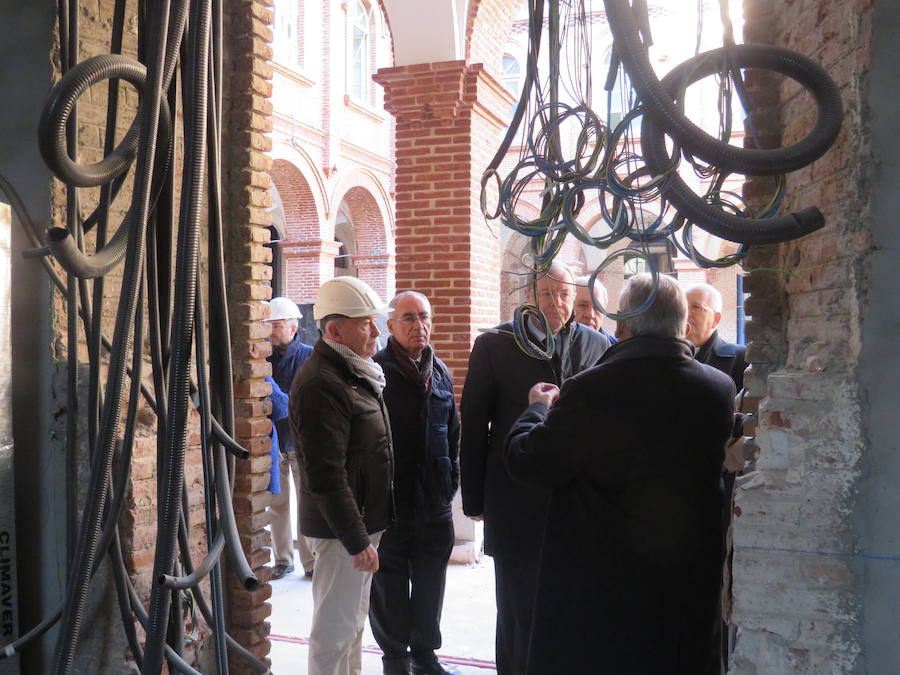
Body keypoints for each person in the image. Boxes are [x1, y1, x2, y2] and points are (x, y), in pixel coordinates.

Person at [504, 273, 735, 675]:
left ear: (623, 324)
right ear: (680, 325)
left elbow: (530, 460)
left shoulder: (591, 390)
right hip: (685, 585)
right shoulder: (717, 388)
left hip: (605, 589)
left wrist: (536, 410)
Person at [460, 260, 610, 675]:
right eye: (546, 294)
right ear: (529, 297)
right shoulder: (495, 344)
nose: (556, 304)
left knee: (570, 608)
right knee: (518, 610)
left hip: (578, 502)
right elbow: (474, 424)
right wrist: (473, 497)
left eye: (564, 295)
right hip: (515, 498)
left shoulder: (598, 346)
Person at [290, 277, 395, 675]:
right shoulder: (322, 383)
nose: (376, 330)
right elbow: (325, 474)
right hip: (340, 533)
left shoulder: (354, 372)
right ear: (335, 330)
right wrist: (355, 541)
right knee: (333, 634)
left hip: (357, 524)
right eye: (365, 322)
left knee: (352, 625)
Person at [369, 291, 461, 675]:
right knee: (389, 589)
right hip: (390, 507)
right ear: (390, 326)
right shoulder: (374, 372)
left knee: (429, 587)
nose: (417, 325)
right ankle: (395, 660)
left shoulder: (440, 373)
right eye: (408, 317)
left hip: (434, 506)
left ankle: (425, 656)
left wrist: (448, 484)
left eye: (423, 317)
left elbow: (453, 435)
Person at [263, 296, 315, 580]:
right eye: (269, 324)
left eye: (277, 324)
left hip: (300, 442)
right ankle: (283, 560)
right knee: (278, 504)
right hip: (274, 443)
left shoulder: (309, 356)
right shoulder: (263, 358)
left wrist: (281, 402)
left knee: (307, 504)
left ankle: (310, 561)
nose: (271, 330)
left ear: (293, 328)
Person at [685, 283, 746, 390]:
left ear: (716, 319)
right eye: (683, 306)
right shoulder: (664, 356)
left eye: (696, 307)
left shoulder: (740, 358)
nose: (687, 313)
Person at [573, 274, 617, 344]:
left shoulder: (615, 349)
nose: (590, 314)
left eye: (597, 308)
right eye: (583, 305)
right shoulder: (553, 346)